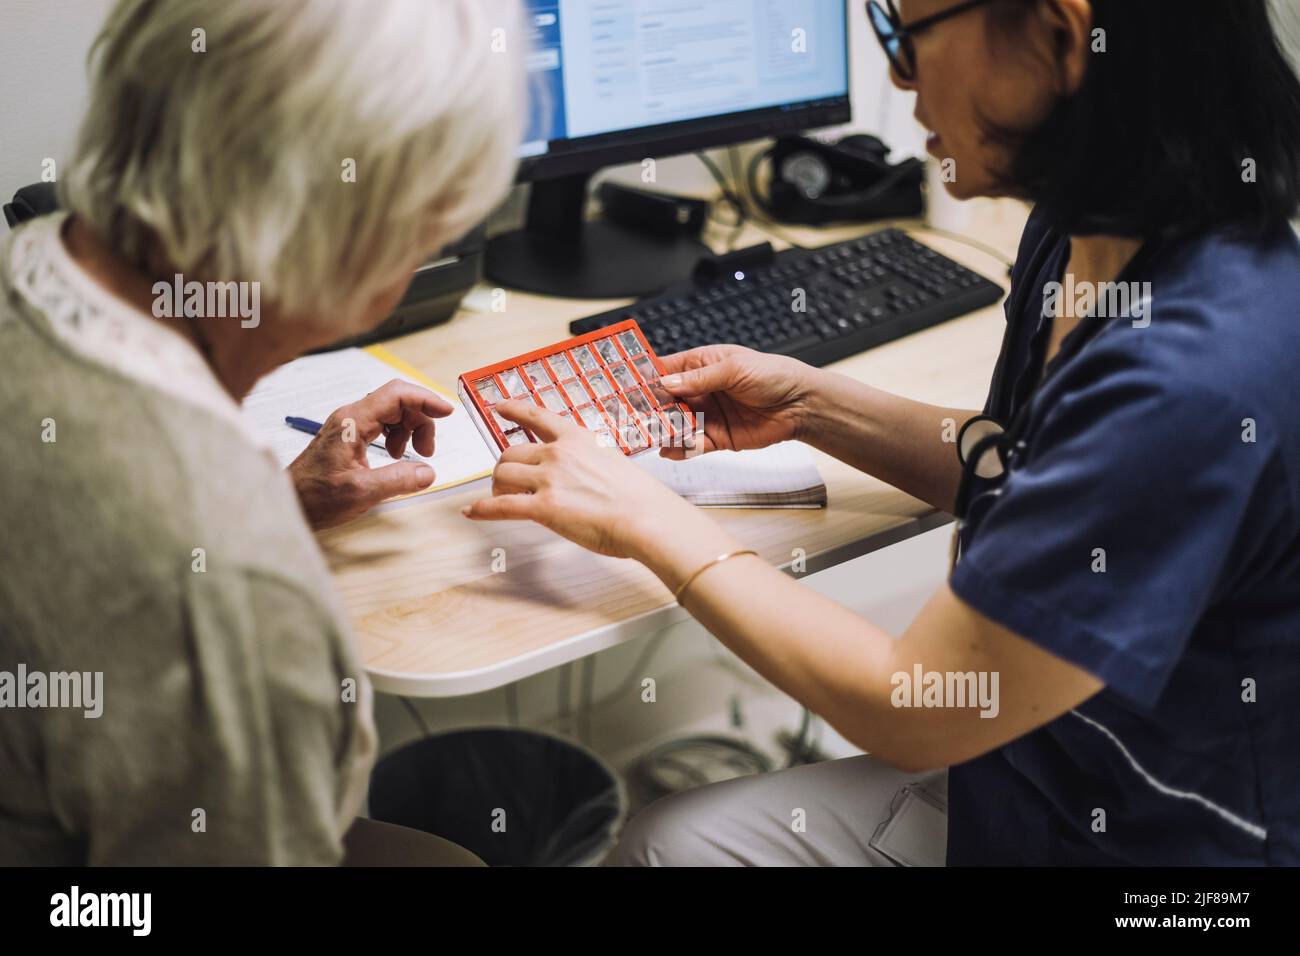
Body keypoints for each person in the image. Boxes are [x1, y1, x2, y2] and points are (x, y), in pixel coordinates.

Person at [465, 0, 1300, 865]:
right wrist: (812, 408)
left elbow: (919, 708)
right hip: (1042, 768)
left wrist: (650, 522)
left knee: (660, 850)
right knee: (666, 843)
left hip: (1165, 860)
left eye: (907, 35)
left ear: (1061, 35)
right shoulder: (1083, 238)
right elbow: (1023, 467)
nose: (900, 79)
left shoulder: (1190, 378)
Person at [0, 0, 524, 864]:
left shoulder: (35, 267)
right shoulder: (239, 601)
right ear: (362, 244)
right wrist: (239, 532)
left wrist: (277, 501)